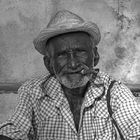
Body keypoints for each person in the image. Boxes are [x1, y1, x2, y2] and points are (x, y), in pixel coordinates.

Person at [0, 10, 140, 140]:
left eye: (80, 51)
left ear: (95, 56)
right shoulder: (32, 92)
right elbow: (13, 129)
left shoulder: (114, 92)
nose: (73, 64)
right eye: (62, 55)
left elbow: (135, 127)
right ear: (49, 64)